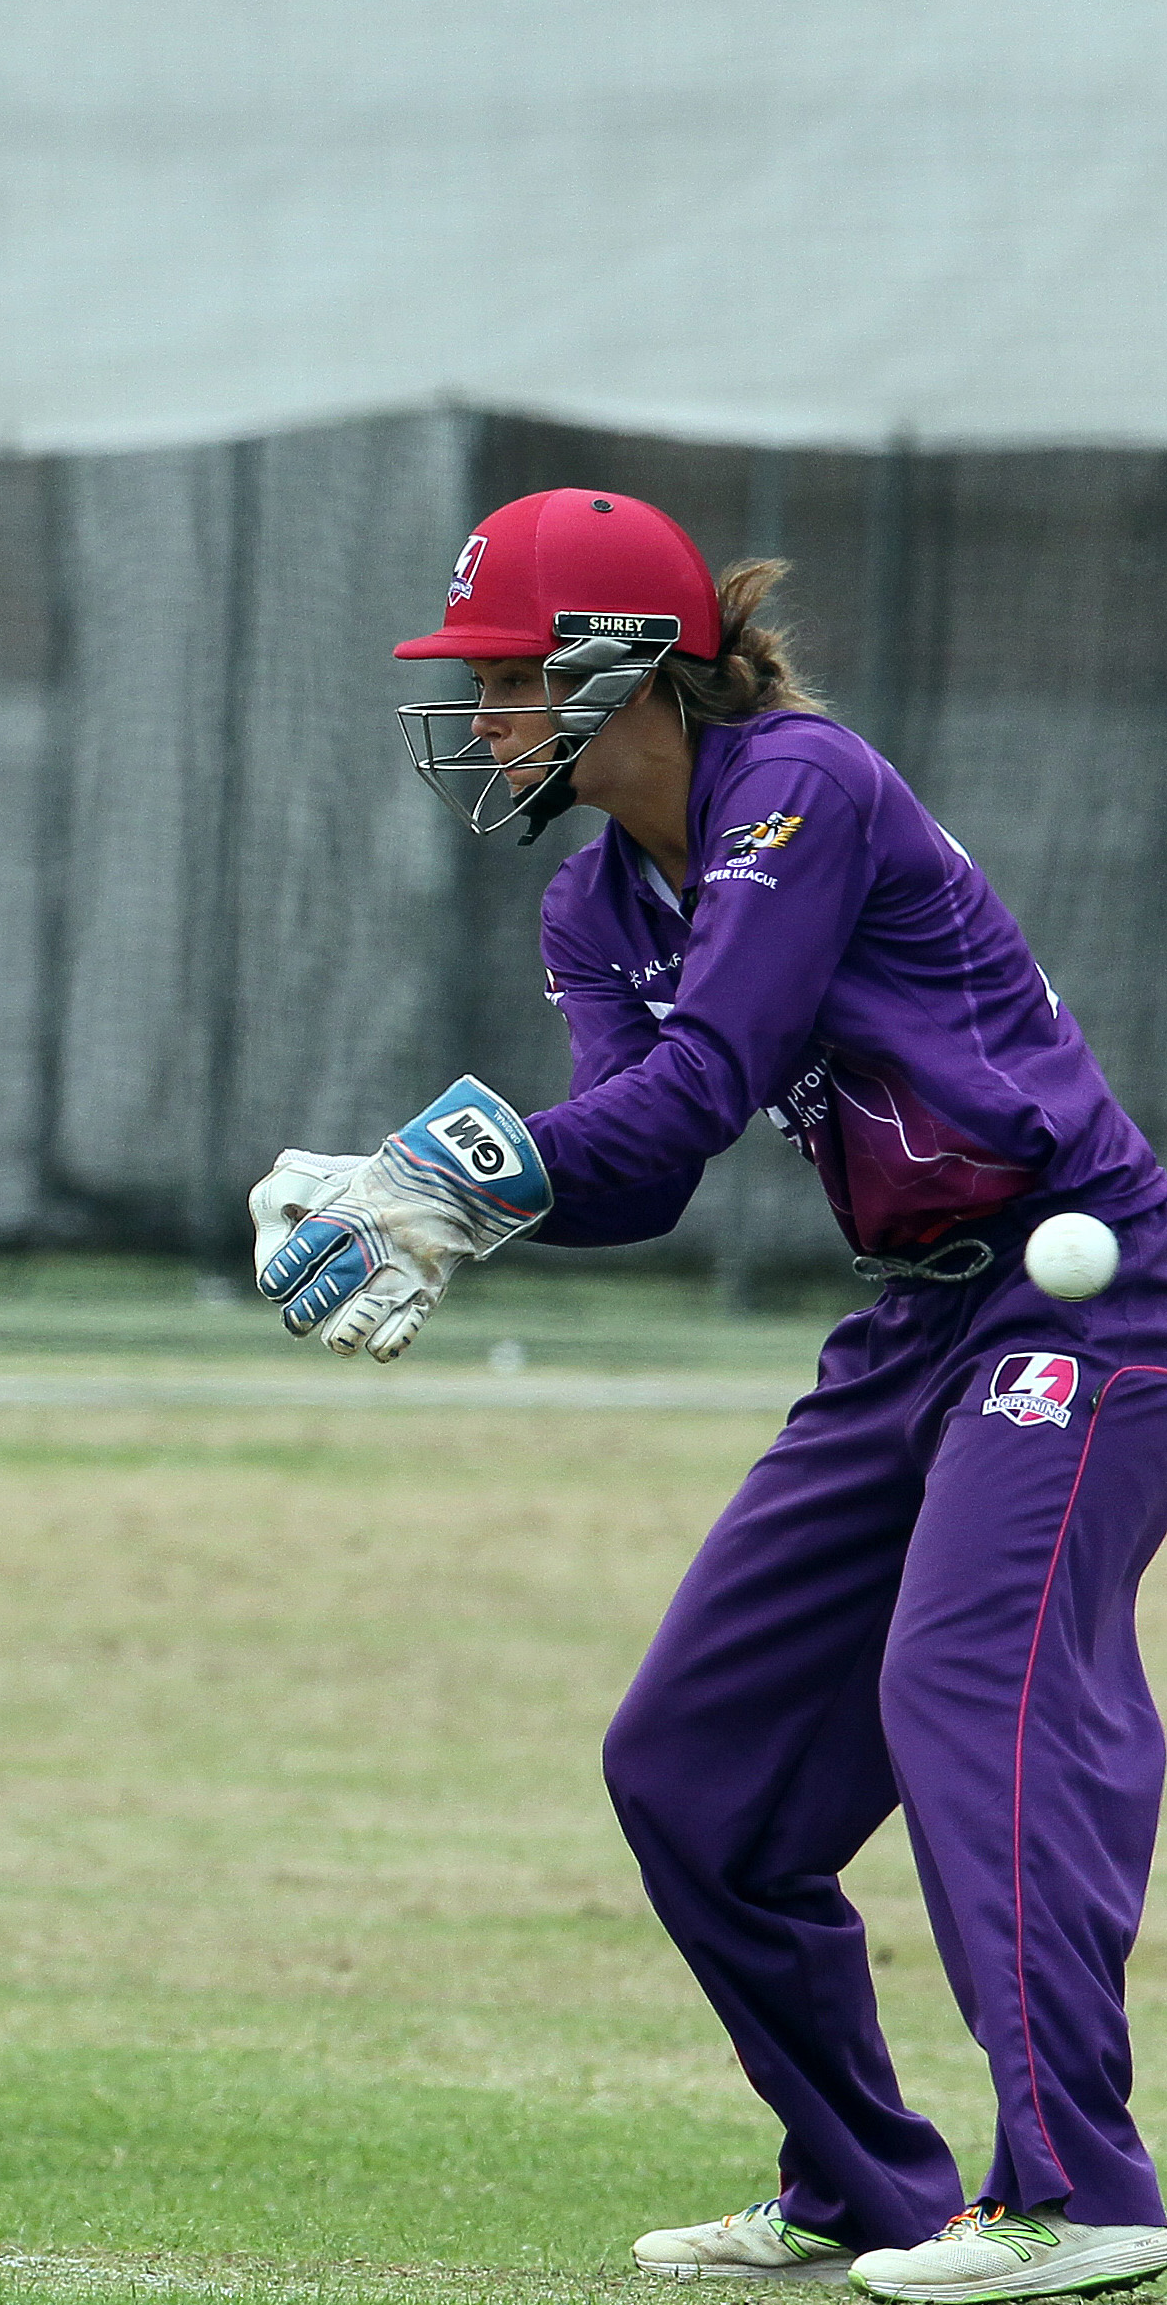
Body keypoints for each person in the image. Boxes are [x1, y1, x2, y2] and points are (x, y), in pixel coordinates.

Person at [249, 489, 1167, 2303]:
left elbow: (710, 1073)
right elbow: (648, 1166)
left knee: (965, 1680)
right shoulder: (594, 898)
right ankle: (865, 2187)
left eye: (508, 679)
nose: (484, 718)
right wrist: (420, 1198)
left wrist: (452, 1172)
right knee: (685, 1769)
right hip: (914, 1321)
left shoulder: (797, 787)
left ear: (629, 668)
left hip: (1088, 1297)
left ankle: (1084, 2189)